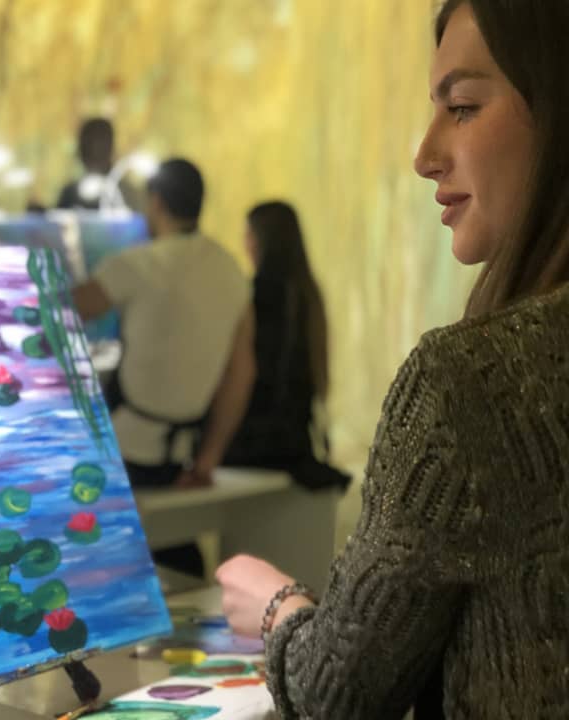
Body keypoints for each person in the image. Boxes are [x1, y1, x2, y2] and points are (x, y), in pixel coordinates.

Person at [216, 1, 569, 717]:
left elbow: (339, 693)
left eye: (462, 107)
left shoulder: (470, 379)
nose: (424, 155)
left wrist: (278, 605)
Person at [72, 158, 255, 491]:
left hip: (120, 455)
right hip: (181, 458)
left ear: (155, 203)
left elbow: (61, 313)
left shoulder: (139, 263)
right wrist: (208, 459)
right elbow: (241, 374)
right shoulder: (231, 270)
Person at [223, 201, 349, 491]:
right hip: (296, 443)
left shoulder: (258, 294)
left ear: (260, 240)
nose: (245, 243)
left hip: (255, 446)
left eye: (248, 235)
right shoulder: (307, 293)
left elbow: (247, 377)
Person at [56, 117, 115, 210]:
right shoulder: (70, 194)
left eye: (101, 144)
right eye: (88, 144)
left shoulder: (121, 194)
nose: (94, 149)